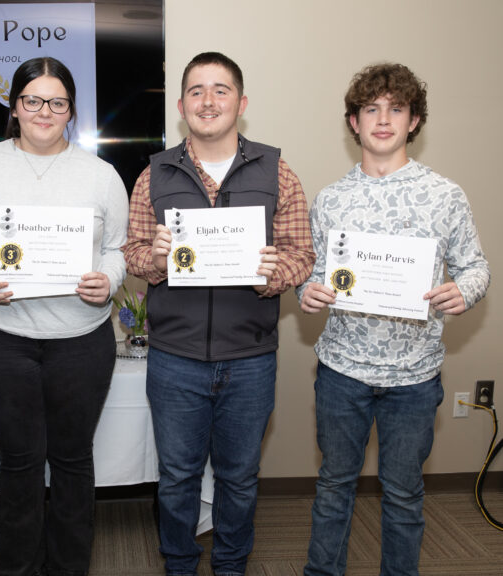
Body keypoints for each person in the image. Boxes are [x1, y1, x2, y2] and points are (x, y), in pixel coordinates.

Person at [123, 51, 315, 576]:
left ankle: (231, 566)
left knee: (240, 477)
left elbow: (302, 253)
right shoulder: (153, 175)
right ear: (182, 106)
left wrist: (269, 277)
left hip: (250, 357)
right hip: (175, 357)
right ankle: (179, 565)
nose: (209, 101)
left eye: (221, 90)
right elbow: (133, 253)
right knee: (177, 477)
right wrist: (156, 258)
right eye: (197, 91)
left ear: (242, 103)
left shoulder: (279, 172)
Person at [298, 63, 490, 576]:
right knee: (334, 487)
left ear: (414, 121)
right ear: (354, 122)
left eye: (396, 109)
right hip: (341, 371)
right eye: (371, 109)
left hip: (414, 377)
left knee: (404, 495)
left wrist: (463, 291)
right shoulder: (331, 199)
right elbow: (313, 272)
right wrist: (308, 292)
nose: (383, 120)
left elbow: (476, 266)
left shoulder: (445, 195)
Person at [0, 57, 129, 576]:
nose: (45, 111)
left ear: (71, 110)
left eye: (58, 102)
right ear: (15, 105)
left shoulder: (101, 175)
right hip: (4, 340)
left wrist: (108, 279)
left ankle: (70, 568)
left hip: (81, 339)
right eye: (33, 100)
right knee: (20, 463)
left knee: (72, 461)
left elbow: (118, 247)